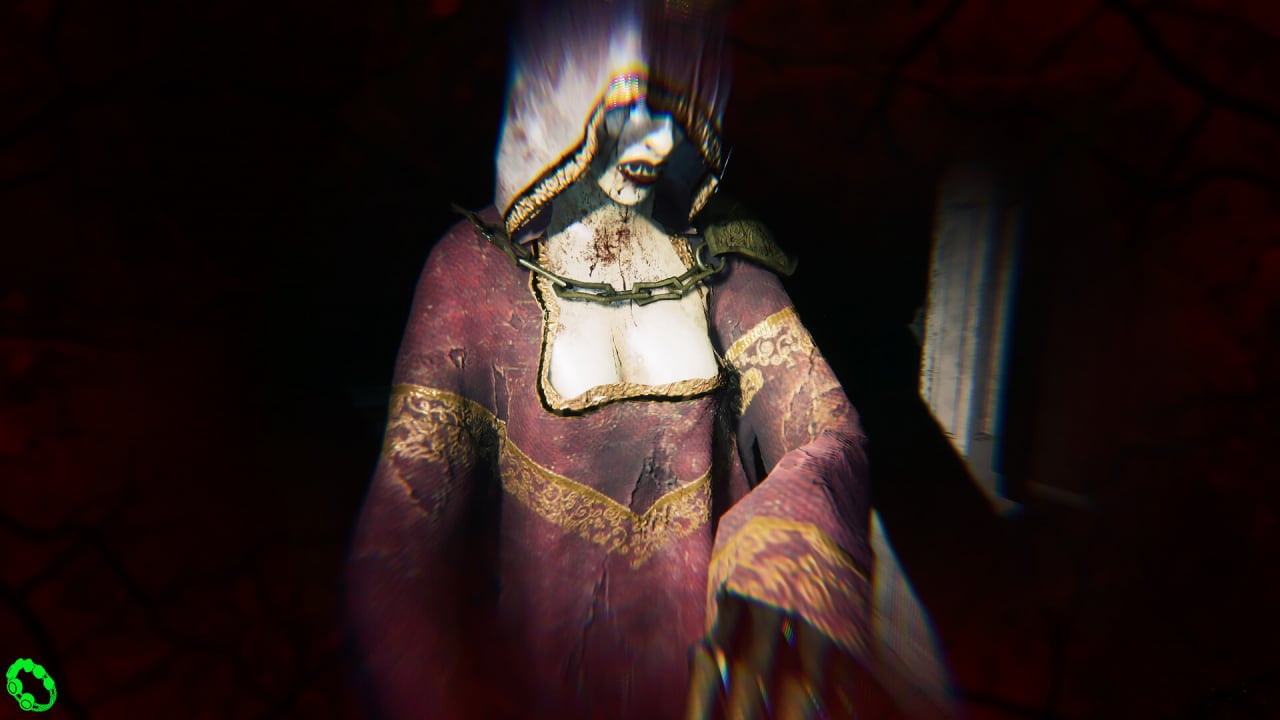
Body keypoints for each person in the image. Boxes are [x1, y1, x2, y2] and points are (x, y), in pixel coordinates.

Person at [347, 2, 953, 717]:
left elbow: (824, 428)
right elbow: (398, 546)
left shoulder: (720, 262)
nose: (662, 142)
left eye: (677, 108)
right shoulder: (472, 274)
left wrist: (781, 570)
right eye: (634, 111)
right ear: (567, 90)